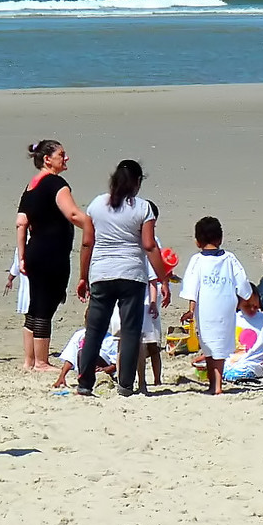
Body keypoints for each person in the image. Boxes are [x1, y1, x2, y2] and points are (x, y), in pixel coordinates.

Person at [74, 159, 171, 398]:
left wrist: (83, 277)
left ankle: (85, 382)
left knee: (94, 330)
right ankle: (126, 385)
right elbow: (149, 246)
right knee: (130, 331)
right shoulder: (142, 208)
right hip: (132, 275)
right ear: (137, 182)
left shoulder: (97, 205)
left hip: (102, 273)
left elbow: (87, 242)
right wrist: (163, 278)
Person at [16, 139, 91, 371]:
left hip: (34, 251)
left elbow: (21, 223)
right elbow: (74, 214)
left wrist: (21, 257)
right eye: (62, 154)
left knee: (35, 305)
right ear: (47, 159)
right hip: (51, 254)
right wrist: (95, 226)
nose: (66, 158)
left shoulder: (31, 186)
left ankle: (29, 360)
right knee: (45, 306)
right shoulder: (55, 183)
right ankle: (40, 361)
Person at [179, 216, 253, 395]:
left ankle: (215, 385)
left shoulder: (197, 260)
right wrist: (243, 301)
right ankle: (216, 384)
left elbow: (192, 286)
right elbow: (242, 284)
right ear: (220, 238)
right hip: (226, 305)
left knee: (209, 344)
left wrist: (191, 309)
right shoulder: (230, 258)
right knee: (220, 344)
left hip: (206, 307)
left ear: (197, 241)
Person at [136, 204, 175, 393]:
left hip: (146, 295)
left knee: (147, 342)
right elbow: (156, 274)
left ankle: (150, 380)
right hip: (147, 294)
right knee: (149, 342)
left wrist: (163, 285)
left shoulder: (150, 240)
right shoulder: (151, 239)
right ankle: (150, 380)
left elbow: (157, 272)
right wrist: (164, 285)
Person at [213, 290, 263, 383]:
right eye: (247, 306)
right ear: (238, 304)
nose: (252, 309)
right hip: (231, 362)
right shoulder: (233, 318)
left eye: (255, 306)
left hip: (254, 364)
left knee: (235, 375)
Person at [50, 305, 121, 390]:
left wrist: (104, 369)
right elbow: (70, 357)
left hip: (102, 365)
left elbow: (115, 364)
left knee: (88, 352)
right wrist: (62, 376)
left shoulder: (110, 339)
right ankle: (83, 378)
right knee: (82, 352)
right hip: (83, 365)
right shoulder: (79, 335)